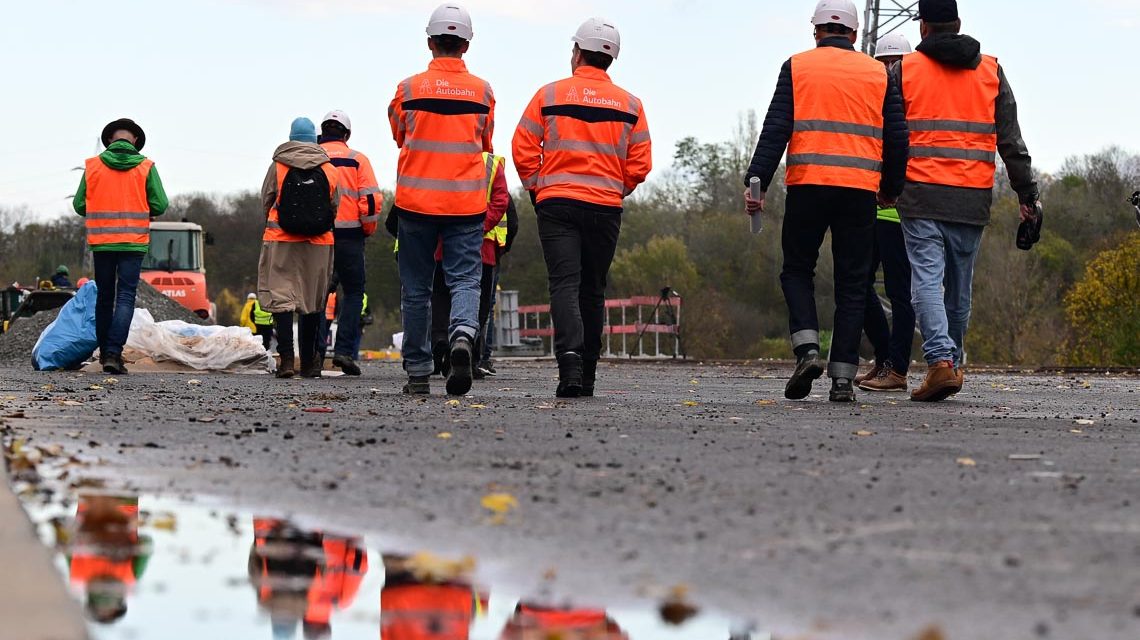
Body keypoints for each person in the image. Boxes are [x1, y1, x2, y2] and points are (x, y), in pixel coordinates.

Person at [744, 0, 908, 402]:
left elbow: (775, 128)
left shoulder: (797, 66)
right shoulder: (878, 72)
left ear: (816, 31)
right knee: (853, 284)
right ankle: (841, 380)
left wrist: (757, 180)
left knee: (797, 270)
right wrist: (891, 186)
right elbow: (898, 136)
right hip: (859, 192)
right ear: (853, 34)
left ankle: (807, 350)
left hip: (808, 186)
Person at [893, 0, 1039, 401]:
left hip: (920, 193)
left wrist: (885, 184)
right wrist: (1027, 194)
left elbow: (889, 134)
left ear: (923, 28)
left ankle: (941, 362)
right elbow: (1011, 140)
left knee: (925, 280)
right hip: (971, 198)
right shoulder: (991, 70)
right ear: (958, 23)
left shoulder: (904, 70)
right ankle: (951, 364)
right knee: (959, 290)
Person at [512, 17, 652, 398]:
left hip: (557, 203)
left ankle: (569, 363)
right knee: (592, 288)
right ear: (612, 60)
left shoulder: (549, 94)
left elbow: (523, 146)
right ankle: (588, 372)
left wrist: (537, 187)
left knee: (564, 284)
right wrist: (615, 188)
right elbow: (641, 162)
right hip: (605, 207)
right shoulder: (630, 104)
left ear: (577, 52)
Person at [389, 3, 495, 396]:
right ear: (466, 45)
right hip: (465, 203)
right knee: (466, 279)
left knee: (416, 288)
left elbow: (400, 134)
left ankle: (418, 372)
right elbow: (485, 141)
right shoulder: (482, 91)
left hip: (416, 201)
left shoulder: (409, 89)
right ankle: (463, 337)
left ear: (430, 42)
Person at [73, 118, 169, 375]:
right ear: (135, 140)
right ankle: (114, 353)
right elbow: (160, 204)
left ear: (110, 140)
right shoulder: (146, 167)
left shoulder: (93, 166)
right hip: (133, 243)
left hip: (102, 244)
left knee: (104, 297)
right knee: (125, 296)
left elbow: (79, 205)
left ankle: (105, 353)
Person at [853, 32, 918, 393]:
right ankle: (884, 359)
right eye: (883, 63)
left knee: (900, 293)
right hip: (871, 206)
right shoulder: (871, 97)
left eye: (893, 63)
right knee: (858, 284)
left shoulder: (912, 101)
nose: (889, 69)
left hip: (901, 210)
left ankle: (896, 368)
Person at [257, 117, 339, 379]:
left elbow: (266, 199)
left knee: (282, 299)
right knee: (312, 300)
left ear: (291, 138)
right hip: (318, 244)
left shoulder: (278, 166)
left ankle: (287, 361)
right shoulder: (329, 169)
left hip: (281, 240)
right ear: (315, 139)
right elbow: (334, 206)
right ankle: (311, 362)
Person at [428, 153, 510, 380]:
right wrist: (478, 227)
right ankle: (469, 355)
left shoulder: (439, 156)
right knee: (479, 306)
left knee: (441, 299)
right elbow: (502, 201)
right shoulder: (491, 164)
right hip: (483, 247)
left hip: (443, 244)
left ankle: (442, 345)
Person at [319, 110, 381, 376]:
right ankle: (344, 351)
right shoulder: (358, 160)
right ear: (347, 134)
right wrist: (366, 229)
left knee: (317, 294)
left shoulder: (311, 157)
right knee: (354, 293)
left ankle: (315, 352)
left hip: (317, 236)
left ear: (322, 131)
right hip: (351, 237)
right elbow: (370, 201)